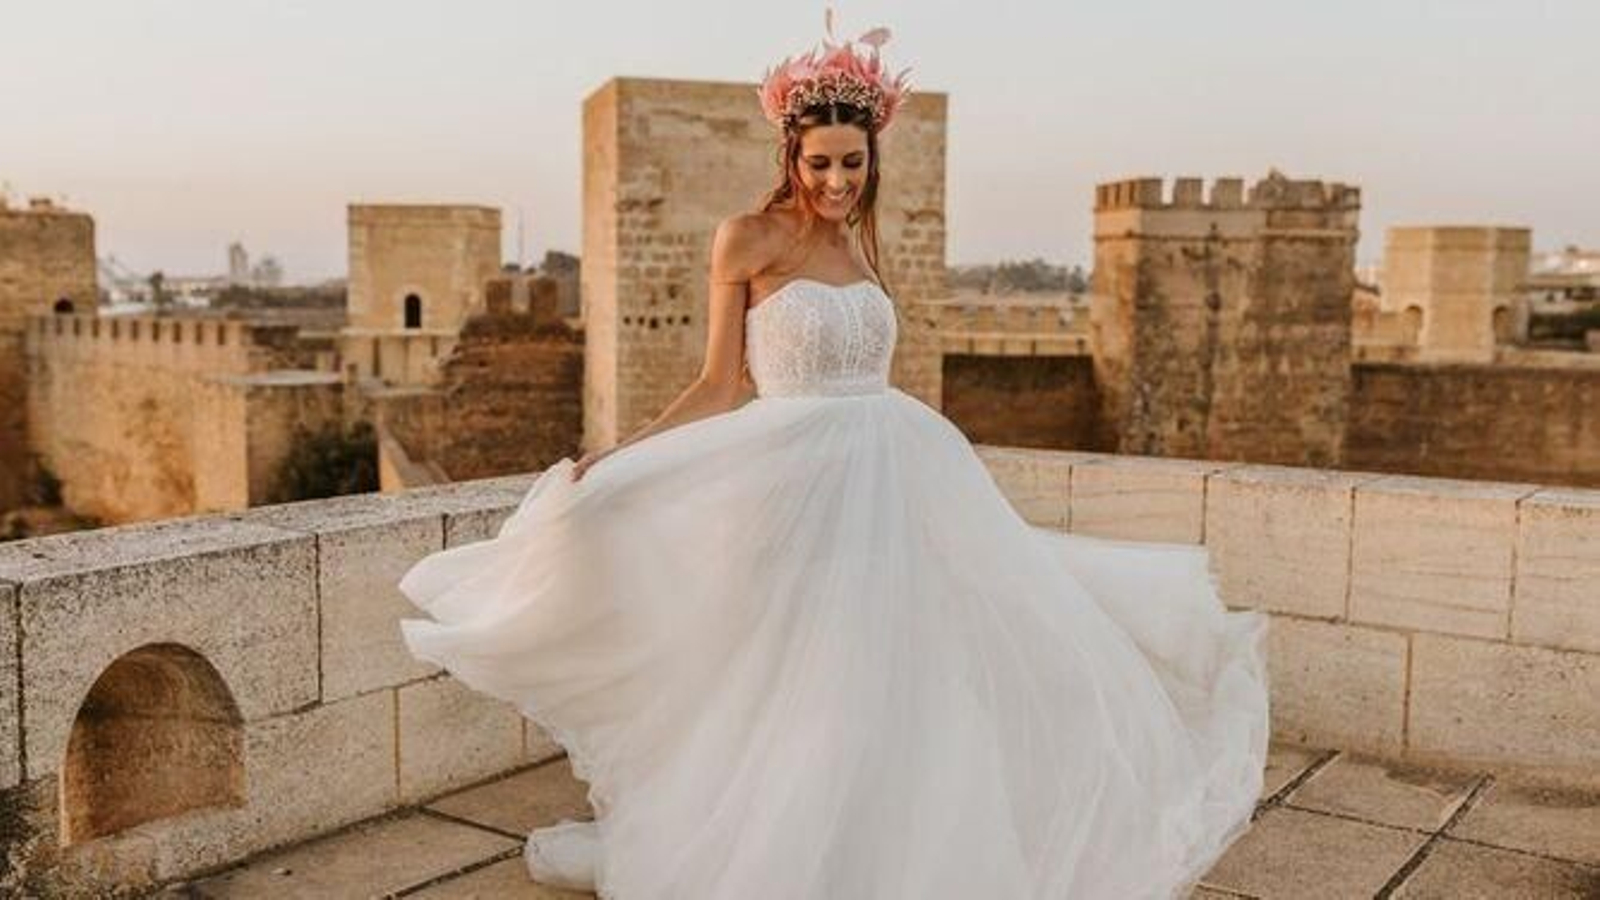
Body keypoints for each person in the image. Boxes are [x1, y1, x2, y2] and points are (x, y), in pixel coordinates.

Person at [398, 16, 1268, 900]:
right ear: (791, 155)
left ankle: (880, 854)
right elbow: (720, 384)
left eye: (852, 163)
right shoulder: (747, 238)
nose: (836, 180)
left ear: (871, 160)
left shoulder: (861, 244)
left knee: (895, 673)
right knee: (795, 680)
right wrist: (624, 457)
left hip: (897, 471)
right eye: (820, 164)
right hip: (791, 486)